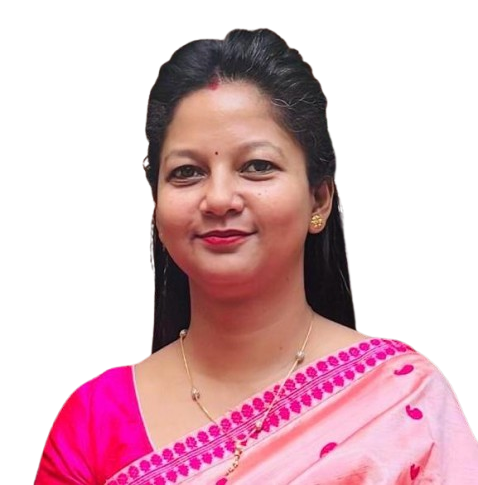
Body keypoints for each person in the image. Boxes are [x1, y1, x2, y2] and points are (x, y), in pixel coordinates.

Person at [35, 28, 478, 484]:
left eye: (257, 166)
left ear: (319, 198)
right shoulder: (94, 424)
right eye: (187, 172)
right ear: (157, 206)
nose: (219, 199)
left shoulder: (403, 402)